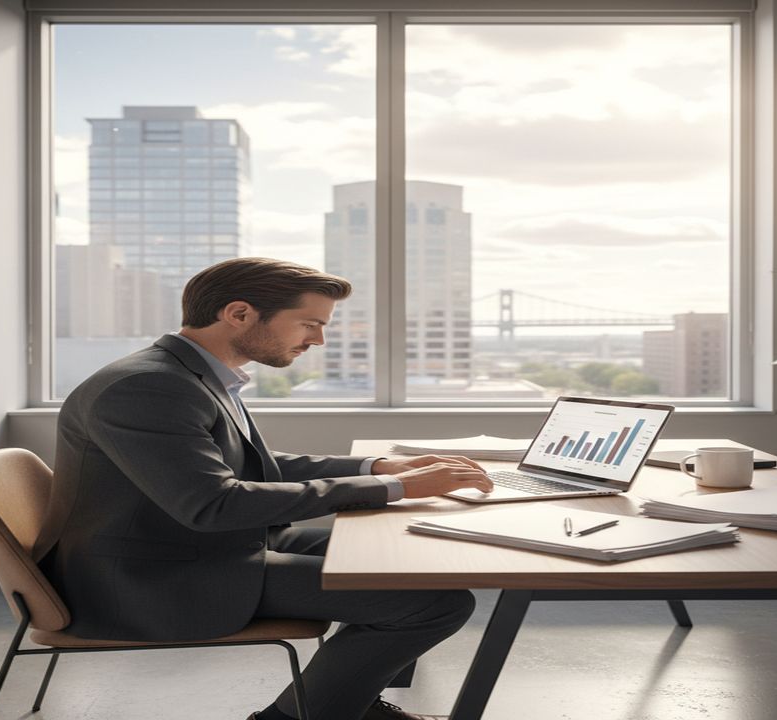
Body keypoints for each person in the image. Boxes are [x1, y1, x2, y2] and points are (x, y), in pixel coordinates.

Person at [34, 257, 494, 720]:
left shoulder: (186, 375)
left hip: (193, 547)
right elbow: (213, 504)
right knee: (435, 603)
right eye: (310, 324)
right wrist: (391, 486)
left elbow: (255, 467)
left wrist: (379, 467)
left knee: (403, 554)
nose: (317, 340)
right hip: (151, 579)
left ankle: (349, 701)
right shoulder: (148, 387)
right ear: (239, 313)